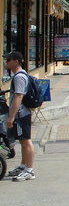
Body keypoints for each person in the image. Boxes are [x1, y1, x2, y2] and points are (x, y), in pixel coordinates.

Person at [3, 51, 35, 181]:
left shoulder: (19, 77)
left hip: (21, 114)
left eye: (9, 60)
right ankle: (23, 166)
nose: (6, 62)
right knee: (22, 141)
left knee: (26, 141)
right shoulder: (19, 75)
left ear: (16, 61)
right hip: (21, 114)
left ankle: (29, 170)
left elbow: (19, 96)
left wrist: (11, 117)